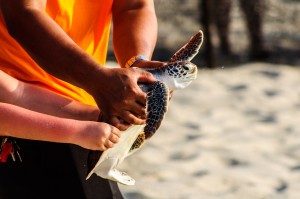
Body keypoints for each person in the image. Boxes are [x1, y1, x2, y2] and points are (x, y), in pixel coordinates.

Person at [0, 0, 164, 198]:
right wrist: (96, 84)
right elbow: (23, 14)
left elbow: (134, 6)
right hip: (27, 125)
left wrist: (137, 67)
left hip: (77, 115)